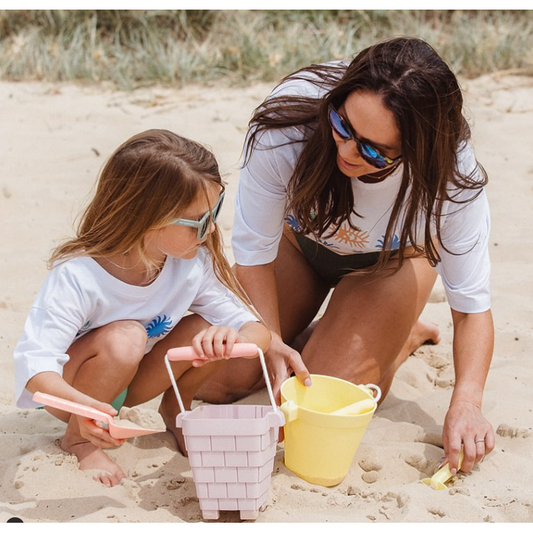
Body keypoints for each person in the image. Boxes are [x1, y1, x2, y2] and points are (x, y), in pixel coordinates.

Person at [196, 37, 495, 477]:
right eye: (342, 124)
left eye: (374, 150)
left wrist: (466, 403)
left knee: (316, 408)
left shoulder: (452, 176)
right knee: (222, 381)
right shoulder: (287, 121)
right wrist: (272, 343)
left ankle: (400, 334)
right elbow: (253, 255)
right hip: (296, 246)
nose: (347, 151)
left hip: (390, 266)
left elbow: (471, 309)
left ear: (418, 150)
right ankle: (332, 332)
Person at [13, 129, 271, 487]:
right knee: (128, 337)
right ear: (148, 217)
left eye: (216, 211)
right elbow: (34, 368)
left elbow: (257, 332)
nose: (211, 228)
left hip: (132, 382)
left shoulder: (189, 263)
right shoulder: (80, 275)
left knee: (205, 329)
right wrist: (86, 409)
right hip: (72, 392)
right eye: (198, 220)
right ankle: (77, 441)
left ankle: (176, 408)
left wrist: (229, 338)